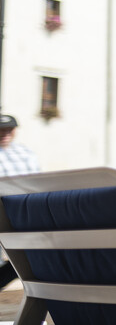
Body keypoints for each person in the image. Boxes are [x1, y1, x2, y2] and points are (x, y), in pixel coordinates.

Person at [0, 113, 41, 290]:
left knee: (31, 257)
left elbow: (37, 184)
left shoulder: (25, 152)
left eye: (9, 130)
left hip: (22, 213)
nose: (5, 134)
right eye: (1, 130)